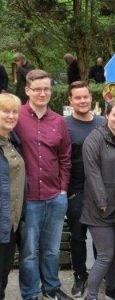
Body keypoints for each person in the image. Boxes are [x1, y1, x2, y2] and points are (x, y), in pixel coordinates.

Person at [14, 69, 73, 300]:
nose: (42, 93)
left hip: (54, 197)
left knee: (50, 250)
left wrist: (63, 189)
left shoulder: (59, 121)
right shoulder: (16, 117)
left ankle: (52, 288)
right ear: (27, 90)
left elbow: (65, 157)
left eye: (46, 89)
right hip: (28, 199)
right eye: (37, 89)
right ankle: (30, 293)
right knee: (28, 253)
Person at [81, 97, 115, 300]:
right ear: (107, 115)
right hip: (100, 208)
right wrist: (102, 201)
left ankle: (112, 289)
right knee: (105, 255)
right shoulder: (94, 139)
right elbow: (92, 173)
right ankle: (92, 295)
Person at [65, 81, 104, 298]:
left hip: (101, 191)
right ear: (70, 101)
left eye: (85, 97)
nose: (82, 101)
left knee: (101, 237)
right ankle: (80, 275)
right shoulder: (65, 125)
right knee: (78, 237)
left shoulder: (102, 122)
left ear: (91, 98)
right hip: (76, 190)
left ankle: (101, 274)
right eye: (77, 98)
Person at [0, 93, 25, 300]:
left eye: (14, 111)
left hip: (10, 223)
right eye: (5, 111)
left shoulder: (12, 141)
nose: (11, 116)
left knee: (3, 275)